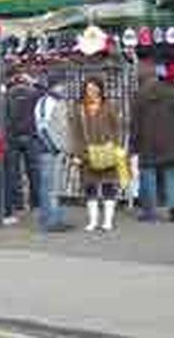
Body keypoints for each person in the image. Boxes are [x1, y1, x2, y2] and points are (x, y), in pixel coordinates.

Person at [131, 62, 174, 223]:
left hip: (147, 140)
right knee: (171, 173)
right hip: (170, 139)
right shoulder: (171, 91)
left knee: (149, 174)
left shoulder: (139, 95)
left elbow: (135, 123)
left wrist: (133, 145)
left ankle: (150, 211)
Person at [72, 77, 121, 232]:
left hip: (107, 151)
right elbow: (76, 133)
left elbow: (118, 129)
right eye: (88, 88)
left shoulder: (110, 106)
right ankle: (93, 221)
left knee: (108, 185)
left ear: (100, 89)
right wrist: (77, 154)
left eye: (94, 88)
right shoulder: (79, 108)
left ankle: (107, 221)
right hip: (87, 152)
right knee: (90, 187)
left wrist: (115, 146)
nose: (91, 91)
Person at [34, 81, 72, 233]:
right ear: (53, 86)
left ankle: (51, 217)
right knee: (50, 187)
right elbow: (43, 128)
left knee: (51, 186)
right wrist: (55, 148)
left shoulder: (54, 101)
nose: (64, 88)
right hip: (50, 150)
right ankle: (51, 220)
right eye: (61, 85)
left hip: (52, 149)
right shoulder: (47, 102)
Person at [3, 74, 42, 224]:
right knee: (34, 173)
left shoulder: (7, 95)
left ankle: (14, 206)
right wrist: (35, 82)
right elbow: (51, 94)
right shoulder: (33, 94)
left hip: (12, 137)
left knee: (12, 174)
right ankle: (36, 204)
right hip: (31, 136)